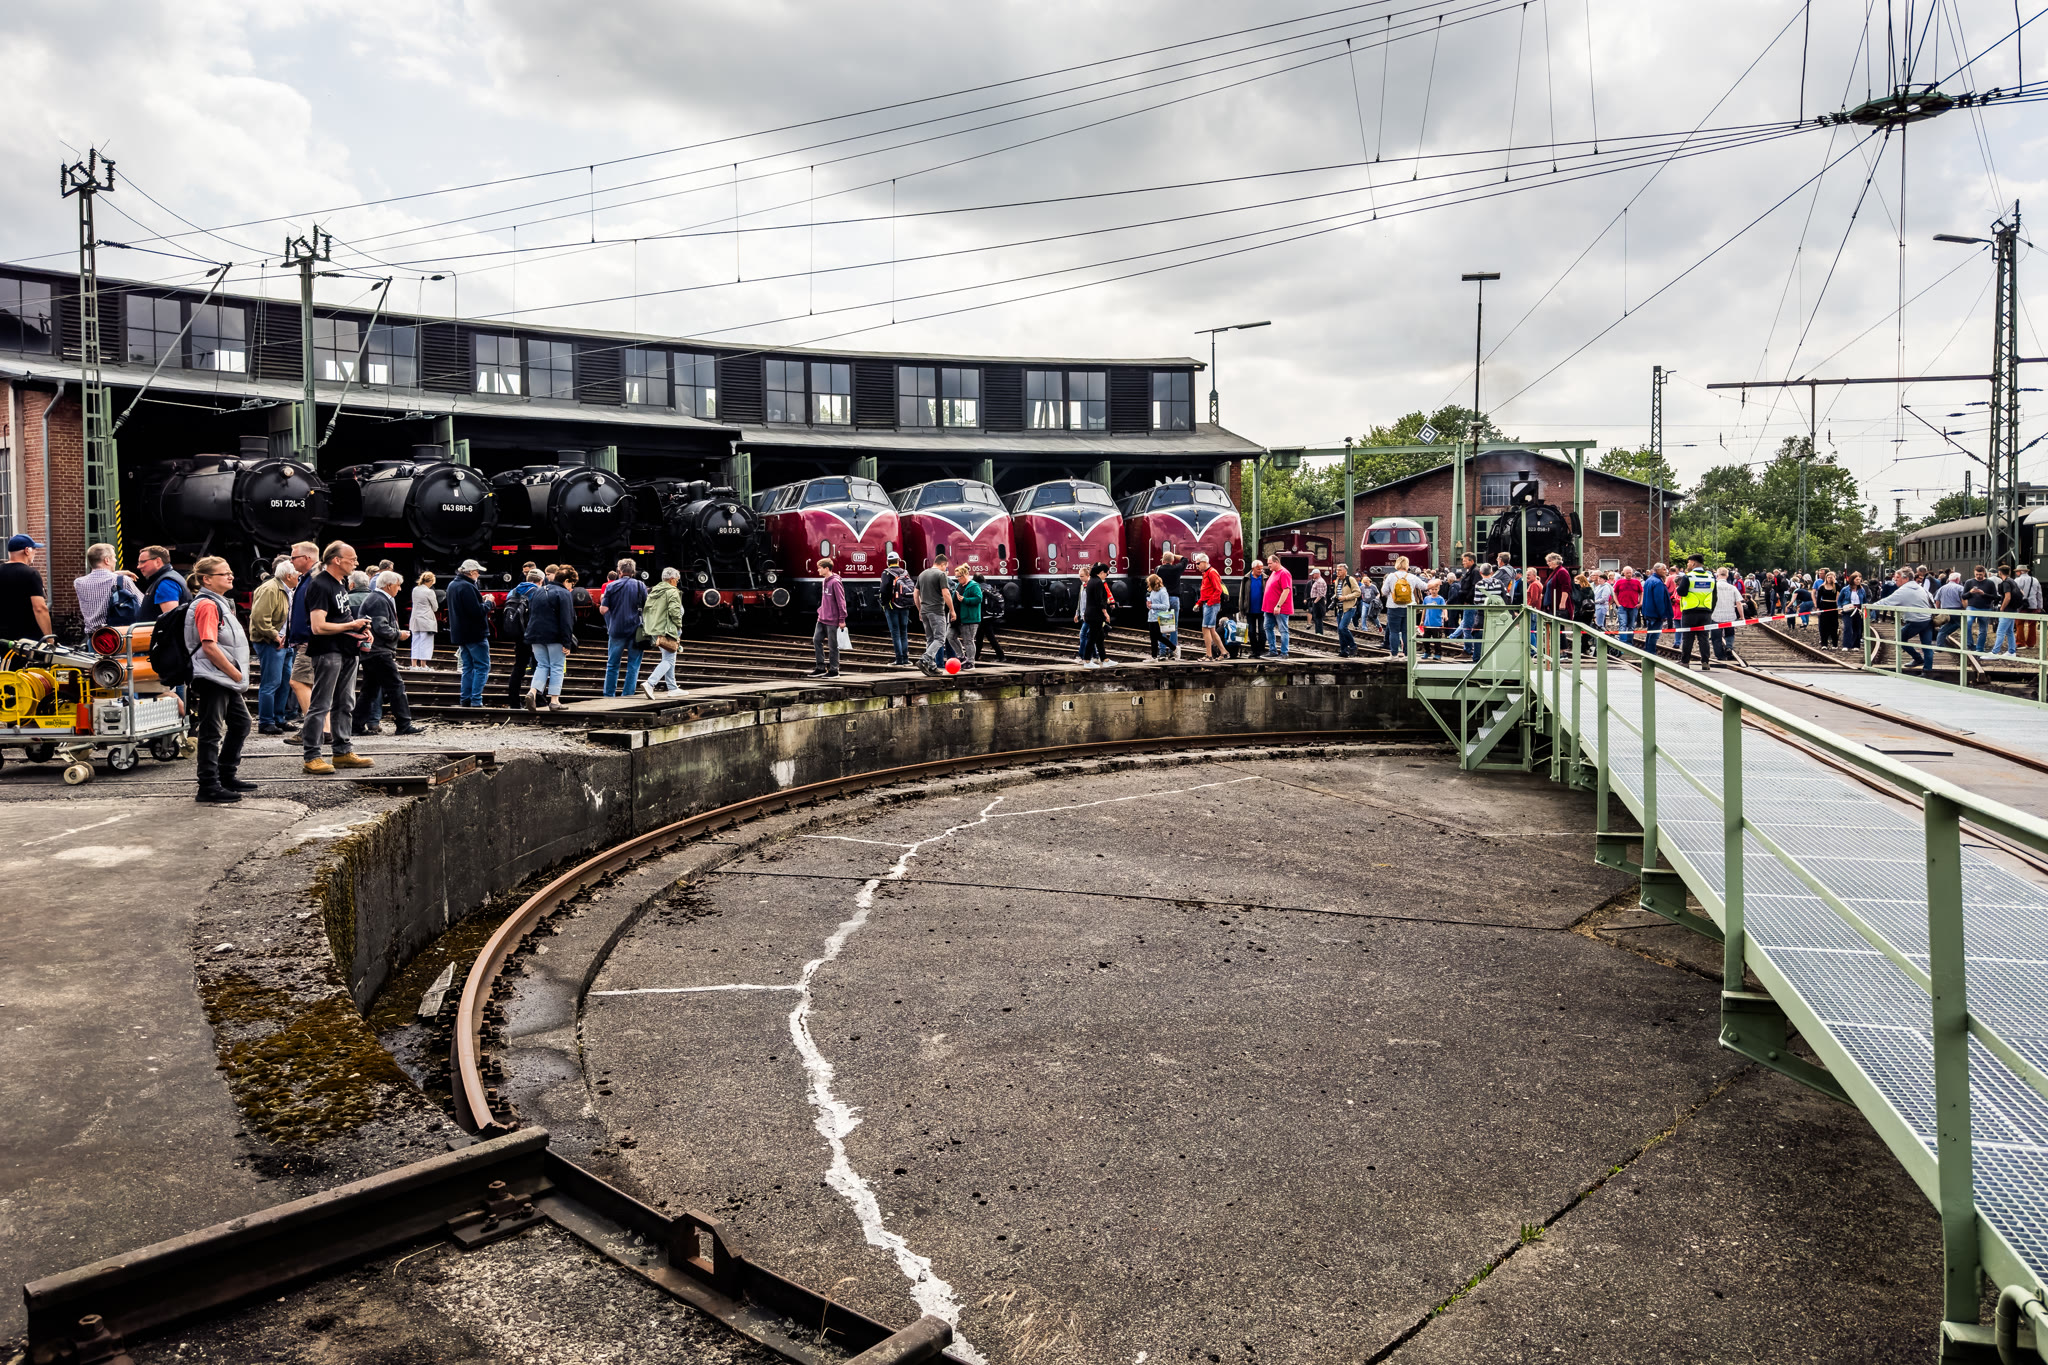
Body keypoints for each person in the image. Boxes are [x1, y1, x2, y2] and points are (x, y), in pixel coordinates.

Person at [184, 556, 256, 804]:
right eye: (224, 573)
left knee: (241, 723)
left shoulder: (218, 603)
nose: (230, 576)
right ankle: (208, 785)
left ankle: (225, 775)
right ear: (207, 579)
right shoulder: (207, 605)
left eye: (230, 572)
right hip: (213, 676)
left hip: (221, 676)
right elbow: (209, 646)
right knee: (211, 731)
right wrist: (235, 673)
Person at [301, 542, 375, 774]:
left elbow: (342, 617)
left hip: (345, 649)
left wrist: (360, 629)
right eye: (352, 559)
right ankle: (312, 756)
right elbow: (318, 626)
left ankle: (342, 752)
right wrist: (352, 625)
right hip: (328, 650)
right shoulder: (320, 585)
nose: (356, 563)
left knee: (345, 702)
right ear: (337, 560)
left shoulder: (340, 584)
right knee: (321, 704)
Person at [353, 571, 425, 736]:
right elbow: (381, 627)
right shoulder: (379, 600)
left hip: (373, 651)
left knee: (370, 690)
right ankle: (403, 724)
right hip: (379, 651)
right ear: (389, 585)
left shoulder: (376, 598)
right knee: (396, 686)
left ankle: (356, 725)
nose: (399, 589)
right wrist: (399, 634)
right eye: (398, 585)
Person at [249, 559, 296, 735]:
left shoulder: (287, 589)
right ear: (289, 576)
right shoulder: (270, 589)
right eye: (297, 573)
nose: (299, 575)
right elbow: (260, 618)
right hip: (271, 642)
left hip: (285, 641)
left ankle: (278, 718)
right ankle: (266, 721)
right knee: (271, 683)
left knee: (284, 682)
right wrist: (275, 636)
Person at [523, 568, 577, 711]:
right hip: (555, 636)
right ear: (566, 581)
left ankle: (532, 692)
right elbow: (566, 620)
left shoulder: (538, 591)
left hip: (535, 635)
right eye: (572, 584)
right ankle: (554, 701)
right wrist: (567, 642)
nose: (571, 587)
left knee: (542, 665)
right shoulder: (564, 593)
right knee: (557, 666)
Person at [599, 557, 648, 697]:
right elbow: (647, 607)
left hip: (616, 629)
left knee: (612, 665)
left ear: (619, 571)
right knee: (633, 665)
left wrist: (611, 619)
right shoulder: (640, 585)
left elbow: (603, 609)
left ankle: (609, 694)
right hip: (636, 630)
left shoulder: (611, 586)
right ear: (633, 571)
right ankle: (628, 694)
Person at [446, 559, 491, 707]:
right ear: (471, 572)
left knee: (467, 667)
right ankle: (476, 700)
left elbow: (465, 606)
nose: (478, 574)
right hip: (475, 633)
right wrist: (489, 603)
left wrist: (479, 600)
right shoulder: (467, 587)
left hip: (461, 634)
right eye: (477, 572)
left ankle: (465, 699)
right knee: (482, 667)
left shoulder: (453, 585)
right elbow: (477, 612)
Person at [1880, 568, 1938, 674]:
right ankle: (1927, 670)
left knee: (1900, 638)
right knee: (1927, 646)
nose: (1895, 580)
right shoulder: (1920, 588)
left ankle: (1918, 658)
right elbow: (1931, 600)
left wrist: (1867, 607)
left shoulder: (1904, 590)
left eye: (1897, 577)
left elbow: (1887, 601)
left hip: (1916, 621)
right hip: (1928, 620)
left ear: (1905, 578)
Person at [73, 543, 140, 632]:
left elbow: (99, 578)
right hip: (116, 636)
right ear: (107, 560)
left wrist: (116, 573)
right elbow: (142, 603)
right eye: (114, 557)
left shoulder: (78, 582)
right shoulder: (123, 580)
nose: (116, 560)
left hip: (93, 637)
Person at [640, 567, 685, 697]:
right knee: (669, 660)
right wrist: (679, 626)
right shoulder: (672, 591)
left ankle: (672, 688)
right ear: (672, 579)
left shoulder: (655, 590)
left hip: (656, 628)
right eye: (677, 580)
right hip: (668, 629)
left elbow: (648, 610)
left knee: (669, 658)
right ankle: (650, 683)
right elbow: (675, 612)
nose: (677, 582)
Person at [0, 533, 53, 642]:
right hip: (27, 640)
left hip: (3, 639)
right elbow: (39, 608)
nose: (35, 552)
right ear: (27, 550)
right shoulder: (31, 574)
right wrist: (50, 639)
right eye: (34, 549)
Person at [499, 568, 540, 705]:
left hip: (518, 634)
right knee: (539, 667)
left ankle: (514, 701)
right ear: (541, 580)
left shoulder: (513, 591)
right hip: (533, 634)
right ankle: (539, 699)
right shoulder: (538, 591)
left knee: (519, 666)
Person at [1676, 553, 1717, 671]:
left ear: (1693, 563)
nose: (1687, 565)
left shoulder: (1688, 577)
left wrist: (1678, 587)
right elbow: (1715, 596)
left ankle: (1685, 662)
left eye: (1688, 563)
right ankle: (1705, 662)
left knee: (1688, 637)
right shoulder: (1711, 577)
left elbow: (1681, 592)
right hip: (1706, 611)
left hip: (1690, 611)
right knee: (1704, 638)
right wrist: (1710, 610)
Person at [917, 549, 954, 675]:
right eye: (946, 567)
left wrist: (919, 609)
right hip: (937, 611)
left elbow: (915, 594)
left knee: (930, 639)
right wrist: (952, 610)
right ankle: (925, 659)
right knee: (940, 639)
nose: (945, 569)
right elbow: (946, 593)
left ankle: (931, 667)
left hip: (925, 611)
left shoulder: (922, 574)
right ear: (943, 564)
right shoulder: (941, 574)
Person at [1382, 555, 1426, 658]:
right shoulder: (1411, 577)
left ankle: (1394, 654)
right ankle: (1407, 654)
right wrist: (1435, 582)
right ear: (1407, 565)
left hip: (1393, 607)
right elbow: (1424, 586)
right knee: (1406, 632)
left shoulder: (1391, 576)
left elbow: (1384, 591)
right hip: (1408, 608)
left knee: (1394, 632)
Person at [812, 557, 848, 678]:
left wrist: (842, 619)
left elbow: (841, 601)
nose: (818, 570)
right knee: (816, 640)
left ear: (826, 568)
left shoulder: (835, 582)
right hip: (822, 618)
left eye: (820, 568)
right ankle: (820, 667)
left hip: (832, 619)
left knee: (833, 645)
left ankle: (834, 670)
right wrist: (820, 611)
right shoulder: (824, 581)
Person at [881, 551, 916, 667]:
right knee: (904, 632)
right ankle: (906, 659)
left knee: (895, 633)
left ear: (888, 562)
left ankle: (899, 659)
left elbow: (884, 590)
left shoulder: (887, 573)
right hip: (905, 606)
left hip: (892, 607)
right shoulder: (905, 572)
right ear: (898, 561)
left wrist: (884, 604)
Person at [135, 544, 189, 617]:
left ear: (158, 561)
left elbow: (171, 619)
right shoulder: (169, 578)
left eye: (143, 562)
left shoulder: (166, 583)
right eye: (139, 563)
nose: (138, 566)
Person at [1080, 563, 1114, 667]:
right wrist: (1106, 613)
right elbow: (1099, 600)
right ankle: (1087, 660)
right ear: (1102, 572)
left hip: (1090, 613)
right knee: (1092, 638)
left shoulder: (1091, 581)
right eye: (1106, 574)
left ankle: (1104, 659)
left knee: (1099, 637)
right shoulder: (1098, 582)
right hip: (1096, 615)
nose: (1106, 576)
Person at [1261, 554, 1294, 658]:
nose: (1268, 566)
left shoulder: (1284, 573)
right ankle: (1272, 650)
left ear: (1276, 562)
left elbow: (1286, 590)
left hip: (1280, 608)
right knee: (1267, 627)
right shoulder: (1274, 573)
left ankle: (1284, 653)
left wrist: (1278, 605)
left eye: (1270, 563)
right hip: (1269, 608)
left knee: (1283, 629)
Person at [1195, 552, 1226, 661]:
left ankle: (1209, 655)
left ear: (1204, 562)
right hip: (1209, 603)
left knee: (1205, 628)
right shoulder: (1206, 573)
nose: (1197, 566)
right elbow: (1206, 592)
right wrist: (1199, 603)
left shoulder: (1212, 573)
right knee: (1212, 630)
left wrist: (1209, 602)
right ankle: (1224, 652)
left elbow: (1218, 590)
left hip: (1211, 605)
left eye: (1198, 563)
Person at [972, 572, 1008, 663]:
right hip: (989, 615)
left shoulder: (977, 588)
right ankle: (976, 656)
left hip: (982, 615)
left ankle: (1001, 656)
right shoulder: (989, 587)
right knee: (982, 637)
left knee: (986, 637)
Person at [1932, 571, 1967, 658]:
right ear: (1957, 579)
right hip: (1957, 610)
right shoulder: (1960, 588)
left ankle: (1940, 644)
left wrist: (1938, 611)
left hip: (1945, 611)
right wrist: (1965, 608)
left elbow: (1937, 601)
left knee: (1947, 627)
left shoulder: (1942, 588)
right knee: (1958, 625)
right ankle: (1940, 645)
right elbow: (1963, 600)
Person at [1641, 562, 1673, 656]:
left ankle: (1648, 651)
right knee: (1654, 634)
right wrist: (1662, 614)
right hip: (1655, 613)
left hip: (1648, 611)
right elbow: (1659, 600)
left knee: (1650, 632)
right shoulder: (1658, 583)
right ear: (1657, 570)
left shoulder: (1649, 580)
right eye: (1664, 569)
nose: (1666, 571)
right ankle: (1651, 653)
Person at [1993, 565, 2024, 657]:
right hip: (2013, 609)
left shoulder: (2005, 583)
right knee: (2009, 632)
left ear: (1999, 573)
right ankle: (2011, 651)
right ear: (2009, 572)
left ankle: (1995, 652)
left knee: (2000, 632)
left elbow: (2008, 597)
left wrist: (2002, 608)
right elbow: (2021, 592)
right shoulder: (2012, 581)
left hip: (2007, 610)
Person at [1710, 566, 1739, 662]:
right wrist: (1742, 616)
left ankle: (1720, 656)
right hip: (1730, 616)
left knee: (1716, 637)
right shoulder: (1732, 588)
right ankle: (1729, 647)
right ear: (1727, 576)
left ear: (1717, 575)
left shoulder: (1712, 587)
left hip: (1715, 616)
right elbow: (1738, 602)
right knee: (1730, 633)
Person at [1333, 564, 1362, 657]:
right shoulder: (1337, 580)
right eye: (1337, 570)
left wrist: (1345, 597)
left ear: (1345, 571)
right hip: (1340, 608)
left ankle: (1353, 646)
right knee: (1340, 630)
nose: (1338, 572)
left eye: (1340, 570)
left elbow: (1358, 592)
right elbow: (1337, 593)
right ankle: (1344, 650)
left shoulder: (1350, 579)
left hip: (1349, 607)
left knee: (1342, 627)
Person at [1611, 566, 1643, 649]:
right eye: (1627, 573)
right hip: (1622, 606)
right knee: (1623, 624)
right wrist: (1618, 604)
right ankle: (1623, 643)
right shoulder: (1619, 582)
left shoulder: (1637, 582)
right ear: (1624, 573)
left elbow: (1641, 592)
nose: (1629, 574)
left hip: (1633, 606)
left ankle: (1629, 643)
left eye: (1630, 573)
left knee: (1631, 625)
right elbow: (1615, 593)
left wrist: (1640, 602)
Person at [1145, 573, 1174, 660]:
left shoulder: (1163, 592)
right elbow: (1152, 603)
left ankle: (1174, 648)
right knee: (1153, 638)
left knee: (1158, 636)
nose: (1148, 584)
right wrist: (1149, 604)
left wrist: (1153, 605)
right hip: (1152, 617)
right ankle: (1154, 657)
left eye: (1149, 583)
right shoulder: (1153, 592)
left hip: (1160, 617)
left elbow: (1166, 606)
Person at [1243, 560, 1267, 658]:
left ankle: (1261, 650)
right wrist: (1242, 608)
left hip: (1263, 609)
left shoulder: (1265, 578)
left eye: (1261, 569)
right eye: (1258, 569)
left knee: (1262, 630)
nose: (1260, 571)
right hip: (1250, 609)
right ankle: (1254, 651)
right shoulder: (1246, 578)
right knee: (1251, 631)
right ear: (1253, 568)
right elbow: (1242, 594)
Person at [1839, 571, 1866, 654]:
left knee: (1857, 628)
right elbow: (1839, 600)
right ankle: (1846, 645)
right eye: (1856, 579)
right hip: (1848, 610)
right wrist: (1840, 608)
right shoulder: (1845, 589)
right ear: (1852, 580)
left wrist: (1865, 609)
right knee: (1847, 627)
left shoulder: (1862, 590)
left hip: (1858, 610)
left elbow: (1864, 600)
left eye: (1859, 579)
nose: (1858, 581)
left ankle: (1856, 645)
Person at [1420, 582, 1447, 660]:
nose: (1434, 591)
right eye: (1432, 589)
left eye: (1436, 589)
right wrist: (1422, 620)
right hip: (1427, 623)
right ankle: (1427, 652)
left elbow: (1444, 608)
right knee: (1425, 639)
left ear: (1438, 589)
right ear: (1429, 590)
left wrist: (1445, 615)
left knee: (1437, 640)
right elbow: (1424, 610)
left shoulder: (1440, 599)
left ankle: (1438, 653)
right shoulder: (1426, 599)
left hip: (1436, 623)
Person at [1816, 570, 1841, 649]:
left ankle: (1834, 644)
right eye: (1828, 577)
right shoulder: (1822, 587)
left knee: (1834, 625)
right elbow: (1818, 598)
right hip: (1824, 605)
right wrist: (1818, 608)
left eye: (1831, 577)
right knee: (1824, 625)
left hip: (1833, 606)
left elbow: (1840, 591)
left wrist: (1835, 582)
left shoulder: (1836, 586)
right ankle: (1824, 644)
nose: (1830, 579)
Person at [1307, 567, 1329, 635]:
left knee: (1318, 617)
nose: (1312, 576)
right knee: (1316, 617)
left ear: (1317, 574)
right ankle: (1318, 632)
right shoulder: (1317, 581)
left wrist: (1315, 601)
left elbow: (1320, 594)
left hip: (1318, 601)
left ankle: (1319, 632)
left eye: (1313, 574)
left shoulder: (1319, 582)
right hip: (1317, 600)